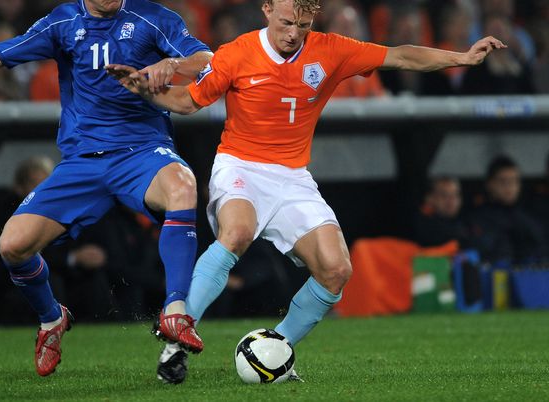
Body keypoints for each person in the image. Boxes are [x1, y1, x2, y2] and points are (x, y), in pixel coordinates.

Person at [107, 0, 507, 382]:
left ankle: (274, 349)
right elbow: (187, 102)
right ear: (267, 10)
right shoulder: (236, 53)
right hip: (240, 166)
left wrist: (462, 58)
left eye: (303, 25)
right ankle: (176, 341)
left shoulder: (331, 50)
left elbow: (400, 55)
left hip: (293, 177)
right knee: (237, 232)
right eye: (286, 23)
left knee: (336, 270)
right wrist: (144, 90)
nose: (293, 34)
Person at [0, 0, 212, 380]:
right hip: (82, 162)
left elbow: (207, 59)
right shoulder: (63, 22)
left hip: (142, 151)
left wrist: (172, 64)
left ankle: (175, 311)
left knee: (183, 185)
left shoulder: (154, 18)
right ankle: (52, 319)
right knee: (12, 246)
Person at [466, 156, 546, 264]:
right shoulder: (478, 218)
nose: (510, 187)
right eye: (503, 181)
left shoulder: (529, 216)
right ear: (490, 184)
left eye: (514, 181)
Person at [412, 177, 467, 247]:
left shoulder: (465, 221)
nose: (451, 200)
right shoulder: (421, 224)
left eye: (456, 194)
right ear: (429, 198)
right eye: (444, 195)